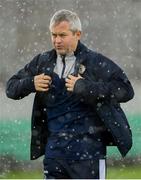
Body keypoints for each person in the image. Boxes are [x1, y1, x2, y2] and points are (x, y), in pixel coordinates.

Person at [6, 9, 134, 179]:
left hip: (88, 155)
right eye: (53, 35)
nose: (57, 40)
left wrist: (87, 87)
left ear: (77, 34)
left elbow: (126, 90)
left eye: (62, 35)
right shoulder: (42, 61)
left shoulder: (95, 61)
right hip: (54, 156)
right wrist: (30, 83)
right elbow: (11, 88)